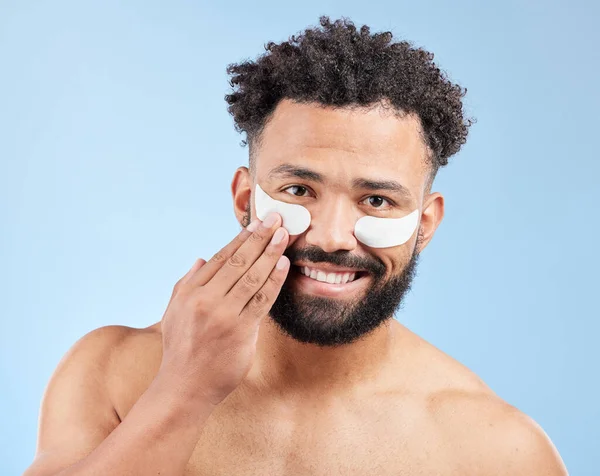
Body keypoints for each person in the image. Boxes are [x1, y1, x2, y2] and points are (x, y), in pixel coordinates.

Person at [24, 16, 568, 476]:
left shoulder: (498, 450)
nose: (331, 237)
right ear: (246, 199)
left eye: (376, 200)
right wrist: (182, 393)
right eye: (299, 190)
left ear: (425, 224)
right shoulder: (113, 372)